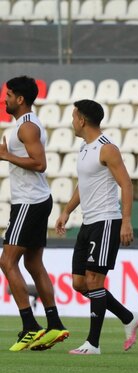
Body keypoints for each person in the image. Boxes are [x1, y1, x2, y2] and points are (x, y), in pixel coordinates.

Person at [55, 99, 138, 355]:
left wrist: (126, 221)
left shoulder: (108, 149)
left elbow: (126, 184)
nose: (72, 121)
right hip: (88, 222)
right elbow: (84, 184)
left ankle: (93, 343)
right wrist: (67, 210)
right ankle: (128, 317)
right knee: (80, 283)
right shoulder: (84, 148)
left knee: (95, 280)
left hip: (106, 221)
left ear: (82, 120)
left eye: (74, 117)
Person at [0, 75, 69, 351]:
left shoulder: (27, 127)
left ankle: (30, 326)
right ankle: (54, 325)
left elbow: (40, 163)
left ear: (20, 99)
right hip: (36, 200)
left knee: (7, 262)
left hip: (29, 202)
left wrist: (6, 156)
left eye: (8, 94)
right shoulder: (26, 124)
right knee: (33, 264)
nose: (4, 98)